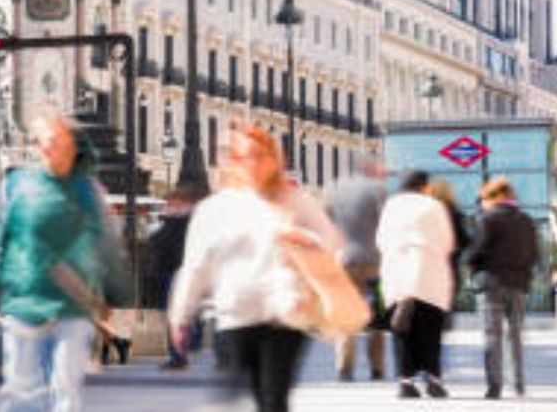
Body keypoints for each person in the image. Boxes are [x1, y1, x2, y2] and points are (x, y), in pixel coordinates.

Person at [167, 125, 341, 412]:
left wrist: (306, 242)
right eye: (243, 156)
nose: (252, 163)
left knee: (273, 399)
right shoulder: (215, 208)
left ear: (275, 158)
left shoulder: (298, 201)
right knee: (235, 399)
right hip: (234, 315)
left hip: (287, 313)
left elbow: (332, 243)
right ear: (232, 161)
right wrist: (180, 315)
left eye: (260, 155)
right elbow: (195, 266)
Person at [0, 112, 110, 412]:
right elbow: (0, 241)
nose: (44, 148)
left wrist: (102, 291)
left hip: (69, 303)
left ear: (72, 146)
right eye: (41, 141)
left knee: (63, 389)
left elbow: (98, 245)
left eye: (53, 141)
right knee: (23, 390)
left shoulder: (85, 190)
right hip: (26, 299)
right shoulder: (19, 185)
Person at [377, 170, 456, 399]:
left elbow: (380, 239)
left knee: (402, 330)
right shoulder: (433, 206)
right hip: (428, 275)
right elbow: (447, 241)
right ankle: (433, 378)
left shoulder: (390, 206)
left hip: (398, 276)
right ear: (423, 186)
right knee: (431, 330)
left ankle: (405, 382)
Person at [467, 177, 539, 400]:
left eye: (486, 198)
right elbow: (534, 255)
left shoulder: (487, 219)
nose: (484, 203)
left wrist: (471, 264)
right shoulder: (527, 221)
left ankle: (494, 385)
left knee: (492, 335)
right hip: (517, 284)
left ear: (495, 197)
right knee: (515, 334)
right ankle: (518, 382)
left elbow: (476, 250)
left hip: (491, 283)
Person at [324, 160, 389, 382]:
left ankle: (344, 368)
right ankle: (377, 368)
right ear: (369, 170)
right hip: (374, 262)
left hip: (343, 261)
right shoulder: (378, 191)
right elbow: (386, 224)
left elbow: (326, 224)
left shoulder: (333, 190)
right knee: (377, 316)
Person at [143, 190, 193, 370]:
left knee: (174, 316)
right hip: (173, 272)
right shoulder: (181, 223)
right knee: (176, 316)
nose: (166, 206)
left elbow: (162, 243)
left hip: (174, 273)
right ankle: (179, 353)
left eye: (170, 203)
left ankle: (178, 354)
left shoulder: (177, 224)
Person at [427, 178, 471, 317]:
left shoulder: (426, 213)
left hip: (426, 270)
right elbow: (465, 241)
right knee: (442, 315)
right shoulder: (455, 214)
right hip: (448, 270)